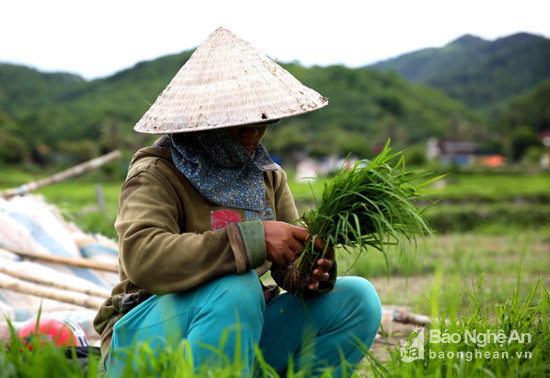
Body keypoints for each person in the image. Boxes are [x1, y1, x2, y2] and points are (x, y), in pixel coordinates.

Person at [93, 27, 382, 377]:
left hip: (234, 330)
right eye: (239, 124)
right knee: (237, 286)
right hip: (148, 335)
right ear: (201, 122)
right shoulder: (156, 172)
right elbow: (142, 258)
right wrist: (255, 239)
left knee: (358, 299)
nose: (254, 134)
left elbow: (286, 262)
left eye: (261, 122)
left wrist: (308, 271)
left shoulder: (265, 174)